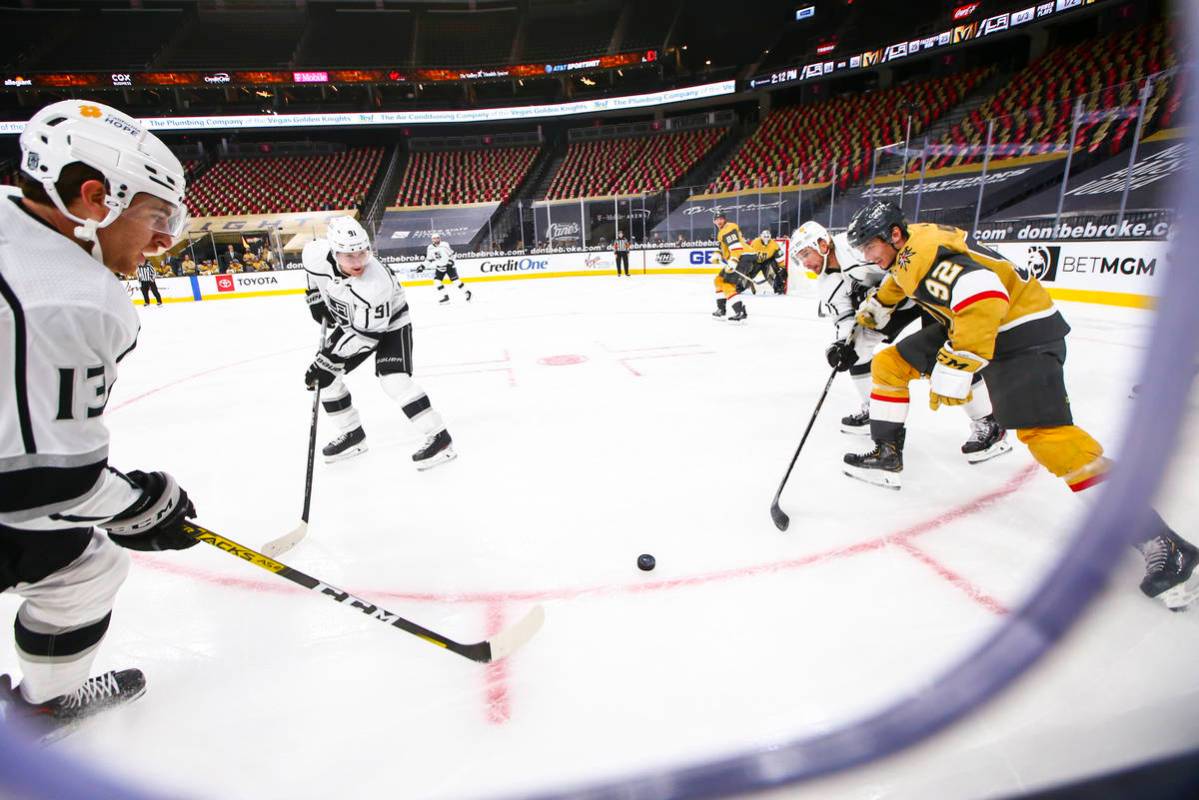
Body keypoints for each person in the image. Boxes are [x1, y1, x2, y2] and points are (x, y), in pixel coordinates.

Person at [842, 201, 1197, 609]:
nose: (868, 257)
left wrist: (959, 362)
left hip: (1020, 333)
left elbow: (983, 294)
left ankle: (1162, 542)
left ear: (894, 235)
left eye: (870, 246)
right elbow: (899, 284)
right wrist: (865, 323)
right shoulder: (911, 249)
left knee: (1048, 438)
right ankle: (887, 454)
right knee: (890, 363)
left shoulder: (925, 253)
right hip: (982, 325)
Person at [0, 100, 199, 739]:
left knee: (81, 563)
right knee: (86, 567)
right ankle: (44, 708)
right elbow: (43, 487)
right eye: (157, 215)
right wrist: (142, 504)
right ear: (93, 198)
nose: (166, 239)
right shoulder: (70, 296)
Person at [792, 219, 1008, 461]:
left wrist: (878, 294)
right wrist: (841, 344)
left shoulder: (854, 245)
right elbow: (844, 319)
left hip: (922, 293)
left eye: (807, 254)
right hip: (887, 305)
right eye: (801, 259)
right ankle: (875, 408)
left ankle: (989, 424)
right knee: (855, 350)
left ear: (823, 244)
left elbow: (900, 258)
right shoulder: (826, 285)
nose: (806, 263)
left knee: (944, 355)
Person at [303, 217, 455, 469]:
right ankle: (353, 435)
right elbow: (310, 272)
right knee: (326, 381)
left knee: (394, 380)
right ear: (333, 251)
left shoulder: (375, 284)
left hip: (391, 324)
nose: (358, 262)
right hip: (353, 324)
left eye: (362, 253)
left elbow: (366, 338)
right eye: (349, 255)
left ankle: (440, 437)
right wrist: (315, 297)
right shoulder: (314, 253)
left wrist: (328, 360)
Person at [711, 211, 755, 322]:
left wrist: (734, 260)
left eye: (721, 218)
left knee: (727, 284)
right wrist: (718, 253)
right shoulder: (721, 231)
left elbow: (736, 247)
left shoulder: (729, 228)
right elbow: (723, 246)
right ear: (714, 221)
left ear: (724, 219)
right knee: (718, 280)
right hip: (739, 256)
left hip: (742, 256)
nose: (719, 221)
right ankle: (721, 310)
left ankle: (740, 312)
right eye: (717, 219)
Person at [419, 232, 471, 304]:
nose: (436, 239)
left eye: (437, 238)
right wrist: (422, 266)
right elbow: (429, 259)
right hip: (440, 268)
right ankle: (446, 297)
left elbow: (453, 254)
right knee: (437, 282)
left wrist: (451, 262)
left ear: (440, 238)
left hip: (449, 267)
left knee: (456, 282)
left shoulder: (444, 245)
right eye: (434, 238)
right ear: (432, 240)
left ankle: (467, 292)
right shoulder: (430, 248)